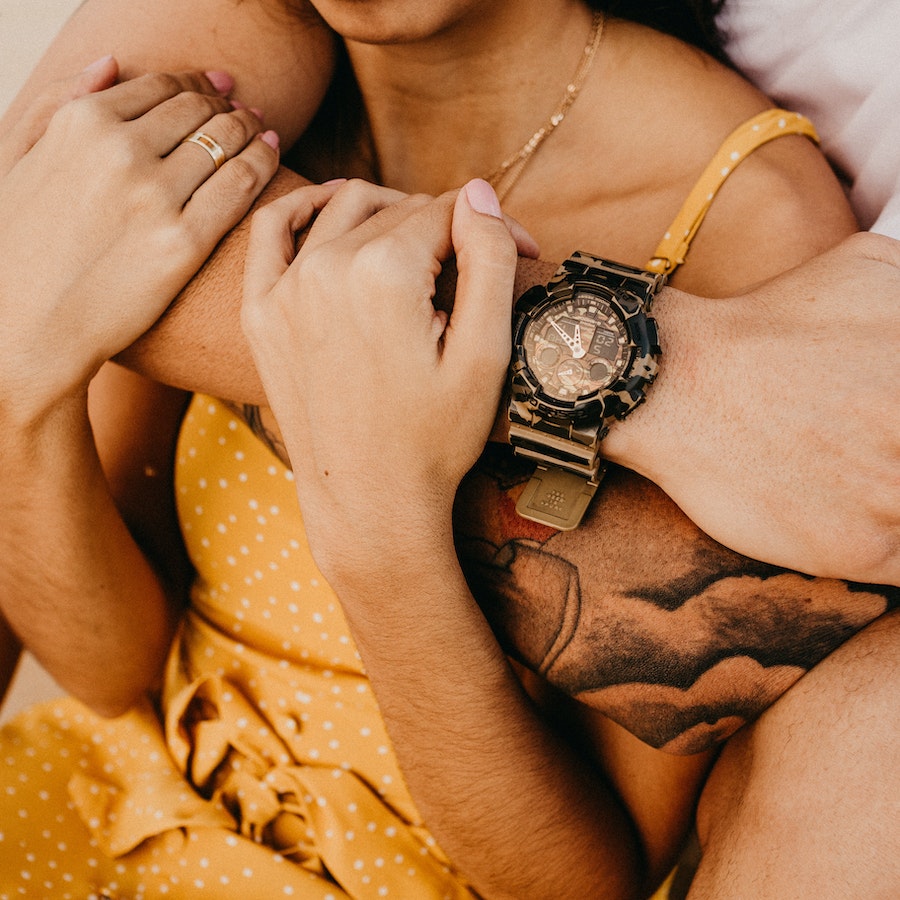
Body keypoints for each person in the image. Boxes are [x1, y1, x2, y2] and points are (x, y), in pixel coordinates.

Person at [0, 1, 896, 898]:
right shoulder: (236, 121)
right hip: (115, 804)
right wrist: (19, 396)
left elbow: (587, 878)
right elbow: (115, 669)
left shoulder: (751, 226)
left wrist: (383, 538)